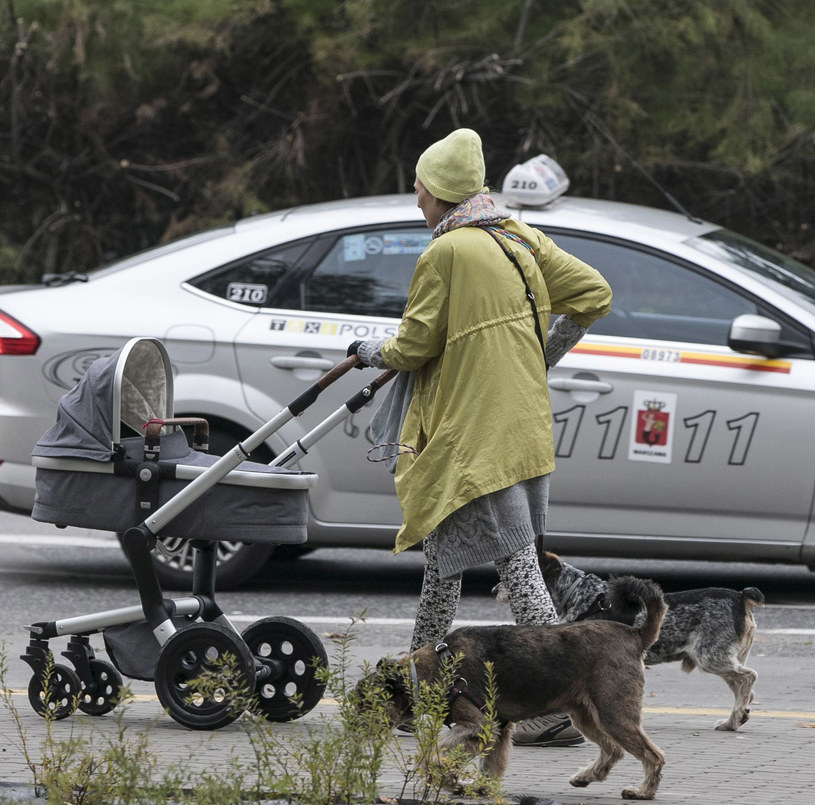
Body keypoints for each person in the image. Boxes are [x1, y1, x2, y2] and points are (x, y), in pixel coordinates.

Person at [347, 128, 612, 747]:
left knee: (518, 564)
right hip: (519, 421)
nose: (416, 202)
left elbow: (413, 346)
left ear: (439, 193)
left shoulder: (446, 254)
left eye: (419, 191)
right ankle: (422, 688)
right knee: (443, 563)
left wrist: (367, 352)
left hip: (476, 432)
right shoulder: (521, 237)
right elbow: (595, 295)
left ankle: (551, 706)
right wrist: (537, 357)